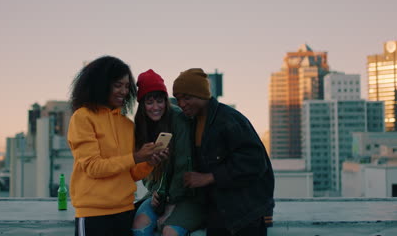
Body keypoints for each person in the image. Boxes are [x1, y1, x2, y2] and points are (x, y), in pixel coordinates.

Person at [68, 56, 168, 236]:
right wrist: (136, 157)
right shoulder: (82, 117)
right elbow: (93, 167)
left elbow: (131, 174)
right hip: (93, 215)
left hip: (125, 212)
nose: (124, 91)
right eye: (117, 85)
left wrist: (149, 162)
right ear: (101, 84)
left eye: (127, 86)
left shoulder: (127, 125)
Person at [172, 68, 275, 236]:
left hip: (245, 214)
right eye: (178, 99)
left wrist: (208, 177)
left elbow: (255, 163)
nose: (182, 104)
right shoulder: (193, 122)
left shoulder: (229, 120)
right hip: (218, 213)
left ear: (202, 95)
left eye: (187, 97)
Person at [132, 69, 204, 236]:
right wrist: (156, 191)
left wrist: (170, 203)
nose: (156, 107)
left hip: (188, 195)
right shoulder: (140, 127)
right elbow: (144, 170)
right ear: (142, 104)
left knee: (169, 231)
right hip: (160, 193)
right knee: (139, 225)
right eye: (149, 102)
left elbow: (184, 165)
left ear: (166, 100)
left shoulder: (179, 119)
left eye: (160, 101)